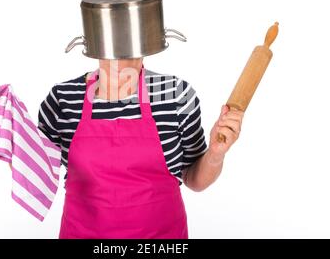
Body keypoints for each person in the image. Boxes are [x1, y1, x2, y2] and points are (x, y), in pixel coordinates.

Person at [38, 58, 244, 238]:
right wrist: (12, 139)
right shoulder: (62, 99)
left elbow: (194, 180)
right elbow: (36, 177)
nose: (119, 57)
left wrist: (216, 154)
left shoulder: (175, 94)